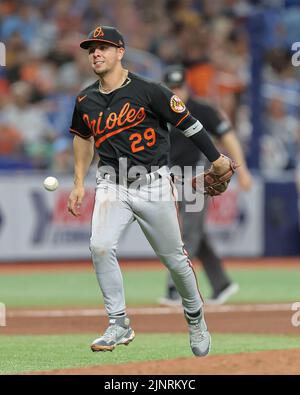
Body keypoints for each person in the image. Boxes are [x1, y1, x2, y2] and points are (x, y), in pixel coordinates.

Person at [67, 26, 233, 357]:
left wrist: (217, 159)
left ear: (120, 52)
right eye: (91, 49)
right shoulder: (86, 99)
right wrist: (77, 183)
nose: (96, 53)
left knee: (175, 260)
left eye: (103, 47)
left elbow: (190, 123)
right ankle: (118, 322)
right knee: (99, 246)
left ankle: (195, 317)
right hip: (112, 183)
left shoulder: (149, 91)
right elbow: (82, 137)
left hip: (154, 183)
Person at [159, 65, 253, 306]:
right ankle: (222, 283)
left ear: (187, 87)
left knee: (188, 234)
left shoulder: (201, 109)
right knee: (197, 235)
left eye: (179, 87)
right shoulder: (159, 110)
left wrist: (242, 171)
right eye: (171, 88)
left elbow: (228, 136)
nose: (176, 92)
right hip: (171, 177)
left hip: (198, 177)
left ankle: (174, 288)